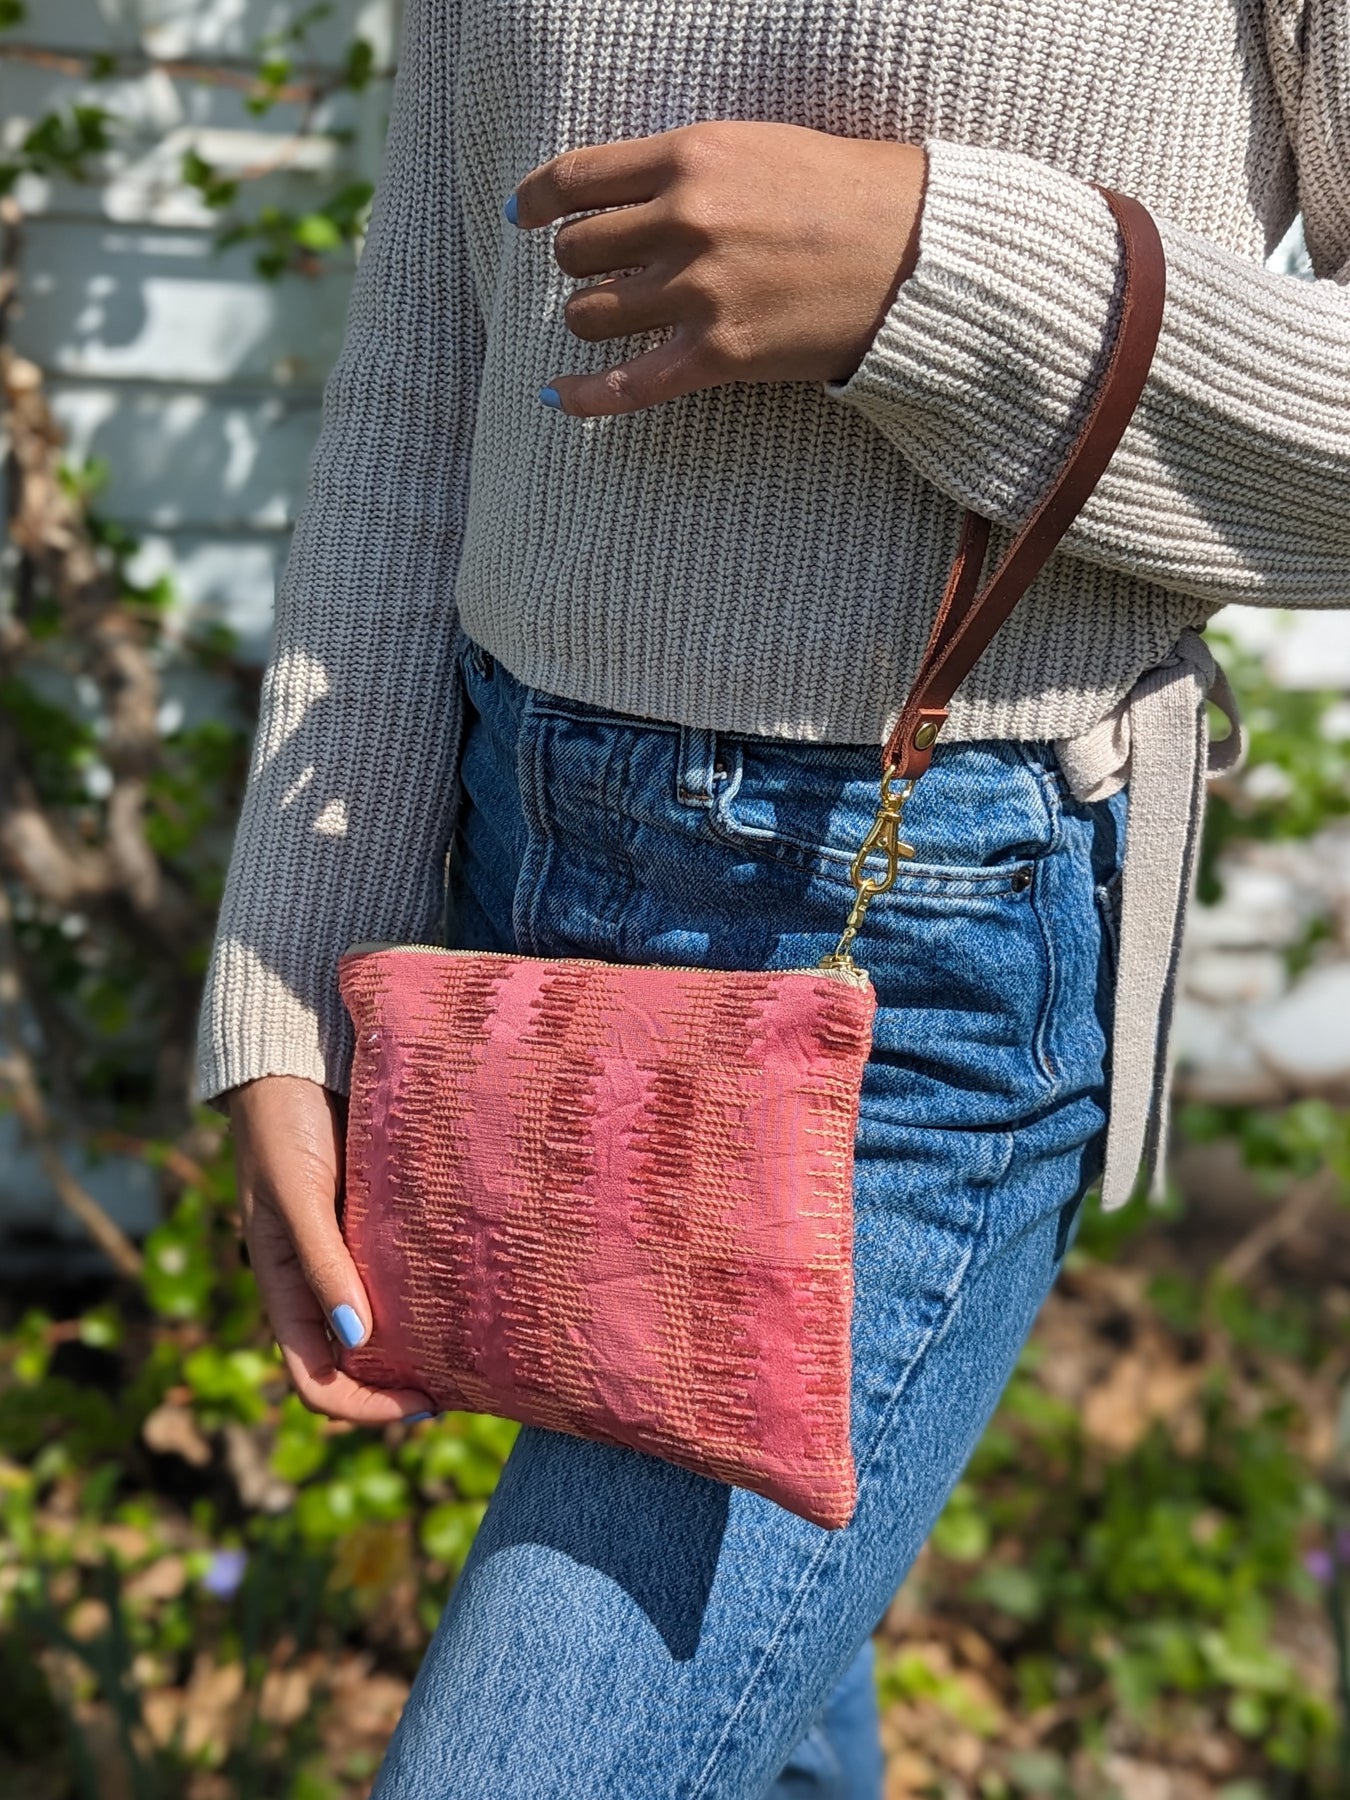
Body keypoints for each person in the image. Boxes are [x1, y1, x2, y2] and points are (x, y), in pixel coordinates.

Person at [198, 1, 1350, 1792]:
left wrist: (940, 275)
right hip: (508, 898)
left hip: (905, 948)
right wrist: (297, 944)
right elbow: (427, 358)